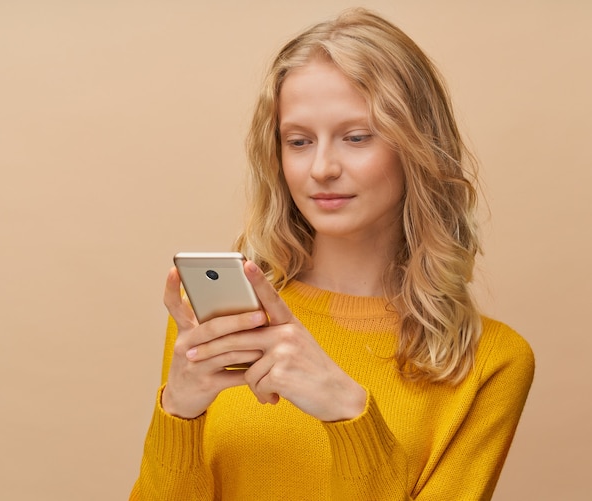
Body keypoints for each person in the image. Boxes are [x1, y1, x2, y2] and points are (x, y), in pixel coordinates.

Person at [129, 7, 534, 500]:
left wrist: (348, 412)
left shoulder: (492, 362)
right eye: (298, 141)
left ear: (417, 146)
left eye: (356, 137)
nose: (321, 168)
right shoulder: (220, 325)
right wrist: (180, 411)